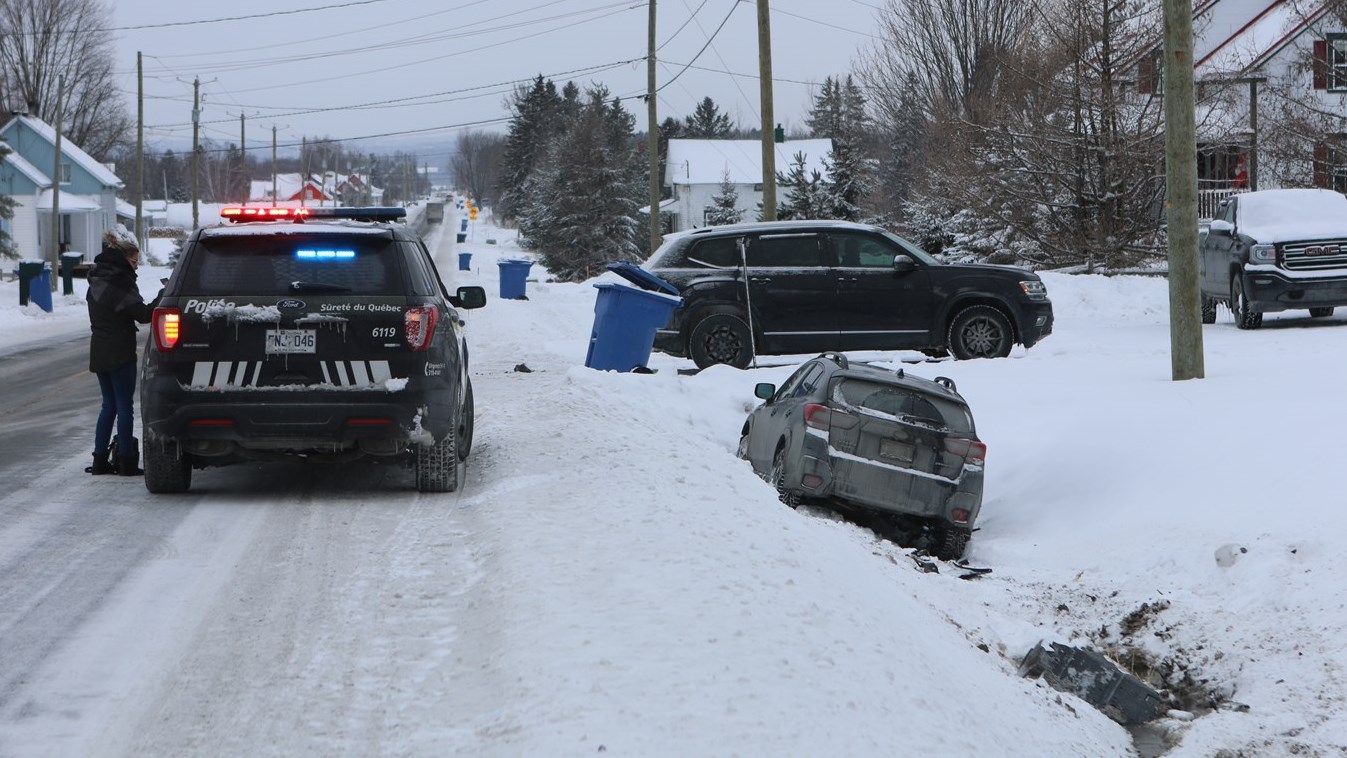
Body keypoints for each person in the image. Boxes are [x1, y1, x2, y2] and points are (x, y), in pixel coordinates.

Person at [86, 227, 157, 476]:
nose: (136, 267)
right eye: (135, 261)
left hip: (100, 350)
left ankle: (99, 460)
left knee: (108, 406)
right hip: (120, 352)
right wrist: (164, 295)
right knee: (124, 406)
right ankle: (126, 460)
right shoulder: (119, 282)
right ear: (124, 259)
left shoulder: (96, 279)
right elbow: (143, 315)